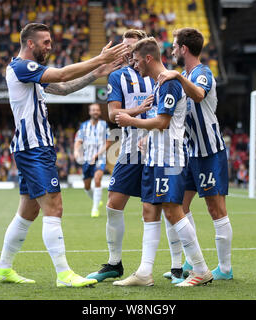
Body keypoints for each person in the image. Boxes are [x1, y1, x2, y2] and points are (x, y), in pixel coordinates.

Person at [0, 22, 127, 288]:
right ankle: (63, 273)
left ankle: (3, 268)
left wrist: (97, 72)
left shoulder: (32, 74)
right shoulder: (21, 67)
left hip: (32, 148)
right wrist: (99, 58)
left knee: (27, 212)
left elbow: (63, 88)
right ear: (30, 43)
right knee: (54, 207)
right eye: (46, 42)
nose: (50, 46)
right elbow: (63, 75)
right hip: (34, 149)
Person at [114, 37, 213, 287]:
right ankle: (145, 273)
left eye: (136, 61)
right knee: (149, 209)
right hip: (155, 157)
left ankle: (201, 269)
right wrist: (147, 139)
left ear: (148, 58)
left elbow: (163, 122)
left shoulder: (169, 83)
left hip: (170, 158)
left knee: (172, 210)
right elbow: (160, 125)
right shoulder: (160, 85)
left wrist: (131, 120)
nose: (134, 65)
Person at [158, 28, 233, 280]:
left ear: (184, 49)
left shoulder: (202, 73)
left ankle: (224, 269)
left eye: (174, 46)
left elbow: (199, 95)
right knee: (178, 205)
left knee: (215, 208)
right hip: (189, 152)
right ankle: (192, 263)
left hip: (209, 151)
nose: (172, 50)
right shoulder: (184, 75)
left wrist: (178, 79)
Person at [85, 29, 155, 282]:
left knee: (159, 207)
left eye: (132, 47)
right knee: (114, 204)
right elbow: (113, 114)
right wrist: (138, 109)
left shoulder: (160, 74)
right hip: (129, 149)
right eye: (125, 47)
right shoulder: (117, 76)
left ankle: (178, 266)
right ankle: (114, 263)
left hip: (158, 148)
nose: (127, 52)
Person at [74, 103, 111, 218]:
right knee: (87, 186)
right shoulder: (84, 126)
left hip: (100, 157)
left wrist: (98, 154)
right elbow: (78, 141)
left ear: (99, 112)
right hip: (87, 158)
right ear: (90, 112)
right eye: (93, 110)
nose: (95, 112)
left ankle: (95, 209)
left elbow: (108, 141)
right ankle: (96, 199)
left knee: (97, 178)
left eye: (97, 110)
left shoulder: (104, 125)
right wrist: (76, 151)